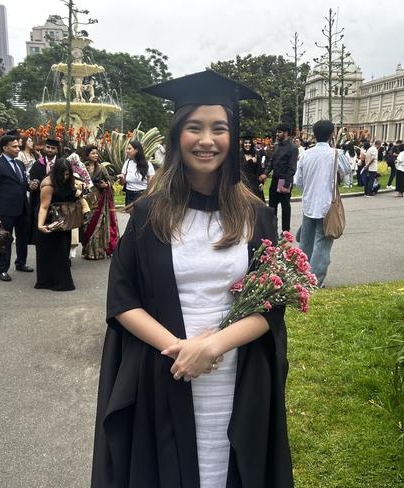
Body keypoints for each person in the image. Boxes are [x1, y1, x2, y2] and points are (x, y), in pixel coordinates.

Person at [92, 69, 294, 488]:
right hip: (166, 369)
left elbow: (272, 304)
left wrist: (213, 345)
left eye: (219, 128)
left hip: (235, 370)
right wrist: (180, 350)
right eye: (194, 128)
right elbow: (123, 299)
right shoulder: (150, 213)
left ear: (231, 137)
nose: (207, 140)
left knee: (229, 469)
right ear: (177, 136)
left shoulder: (256, 215)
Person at [294, 120, 350, 288]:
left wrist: (309, 190)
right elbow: (346, 170)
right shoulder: (335, 154)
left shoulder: (305, 154)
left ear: (314, 134)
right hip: (327, 205)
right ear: (332, 134)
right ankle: (315, 281)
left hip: (309, 203)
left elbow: (298, 181)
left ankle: (300, 275)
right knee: (322, 244)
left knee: (305, 242)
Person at [0, 135, 34, 282]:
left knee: (23, 237)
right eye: (14, 146)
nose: (17, 149)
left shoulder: (19, 164)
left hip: (22, 207)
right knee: (4, 240)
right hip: (5, 210)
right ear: (5, 148)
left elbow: (22, 183)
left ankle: (21, 263)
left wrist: (30, 185)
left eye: (18, 146)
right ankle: (2, 270)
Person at [34, 159, 78, 291]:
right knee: (51, 251)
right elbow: (43, 207)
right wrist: (40, 225)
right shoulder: (48, 185)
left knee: (62, 251)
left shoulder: (68, 182)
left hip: (63, 220)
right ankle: (50, 282)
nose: (65, 177)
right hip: (49, 219)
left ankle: (55, 280)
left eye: (67, 174)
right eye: (63, 174)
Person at [81, 145, 118, 260]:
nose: (95, 155)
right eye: (93, 153)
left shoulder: (101, 168)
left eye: (96, 153)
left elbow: (109, 182)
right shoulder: (82, 168)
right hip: (85, 199)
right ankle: (87, 250)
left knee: (98, 225)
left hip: (99, 200)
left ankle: (97, 252)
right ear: (87, 155)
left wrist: (106, 185)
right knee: (86, 224)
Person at [262, 124, 298, 231]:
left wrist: (287, 184)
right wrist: (265, 173)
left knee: (285, 206)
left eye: (279, 132)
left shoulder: (292, 147)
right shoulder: (277, 146)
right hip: (275, 179)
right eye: (277, 132)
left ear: (286, 133)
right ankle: (272, 230)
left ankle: (285, 231)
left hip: (284, 180)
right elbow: (271, 162)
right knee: (272, 206)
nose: (277, 134)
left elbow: (292, 168)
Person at [29, 138, 61, 244]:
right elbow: (31, 182)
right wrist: (32, 185)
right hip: (41, 201)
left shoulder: (62, 164)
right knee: (42, 230)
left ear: (57, 150)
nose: (50, 150)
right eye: (48, 147)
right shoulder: (38, 164)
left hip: (58, 202)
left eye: (53, 148)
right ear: (44, 148)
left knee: (58, 230)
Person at [118, 140, 155, 205]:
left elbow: (151, 184)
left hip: (142, 195)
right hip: (129, 195)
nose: (127, 151)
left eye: (129, 149)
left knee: (141, 214)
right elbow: (122, 183)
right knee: (131, 214)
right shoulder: (127, 163)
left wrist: (148, 196)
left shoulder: (148, 164)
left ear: (136, 150)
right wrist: (121, 178)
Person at [239, 136, 265, 200]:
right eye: (245, 143)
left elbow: (259, 169)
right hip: (243, 184)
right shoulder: (239, 155)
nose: (247, 145)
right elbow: (240, 168)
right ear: (243, 144)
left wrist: (261, 182)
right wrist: (250, 161)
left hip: (255, 184)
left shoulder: (255, 154)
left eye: (249, 143)